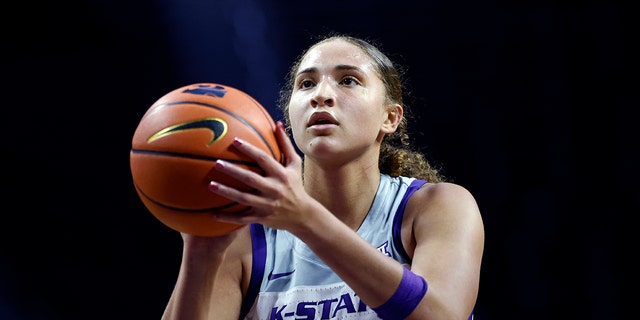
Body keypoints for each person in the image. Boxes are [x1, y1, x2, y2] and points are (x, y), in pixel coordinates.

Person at [161, 33, 485, 320]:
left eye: (348, 80)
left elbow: (441, 315)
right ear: (288, 118)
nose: (321, 94)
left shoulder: (437, 206)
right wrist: (201, 254)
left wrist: (304, 218)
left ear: (390, 118)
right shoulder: (247, 237)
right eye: (306, 84)